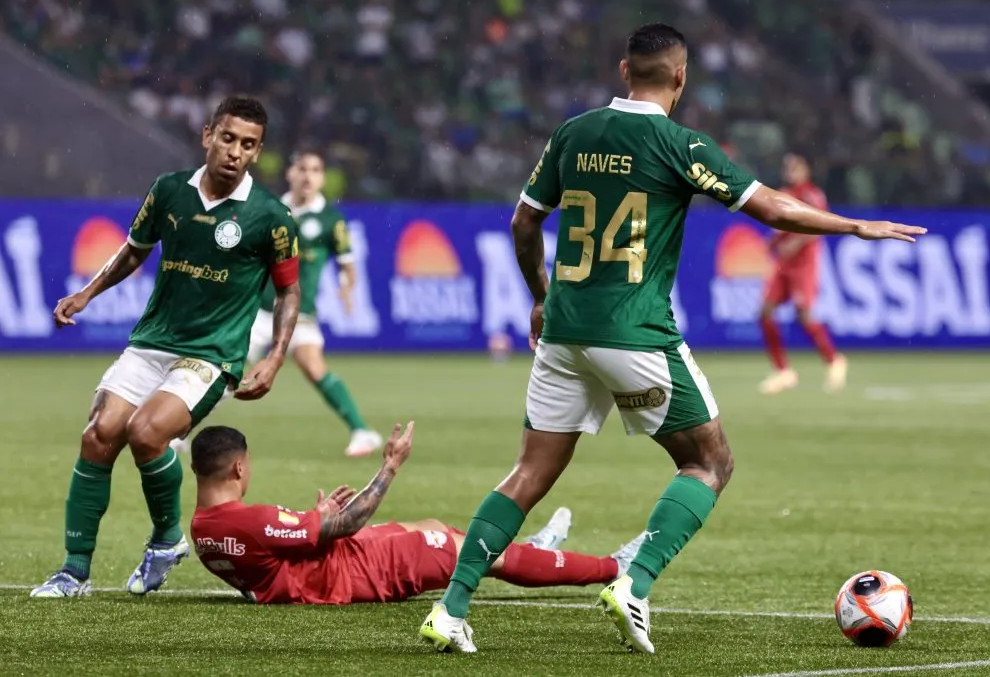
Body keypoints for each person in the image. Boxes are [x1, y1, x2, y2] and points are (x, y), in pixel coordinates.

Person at [419, 23, 927, 654]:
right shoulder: (679, 144)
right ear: (681, 78)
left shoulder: (572, 134)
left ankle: (451, 608)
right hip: (633, 331)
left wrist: (541, 297)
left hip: (565, 330)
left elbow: (525, 222)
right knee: (710, 462)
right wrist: (854, 226)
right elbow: (770, 207)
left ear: (622, 68)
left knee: (529, 471)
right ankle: (634, 583)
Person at [31, 96, 301, 599]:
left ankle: (165, 537)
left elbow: (289, 289)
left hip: (212, 355)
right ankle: (73, 572)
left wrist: (275, 356)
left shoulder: (271, 216)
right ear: (207, 136)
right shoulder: (170, 191)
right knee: (98, 434)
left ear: (258, 151)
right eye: (228, 138)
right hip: (153, 341)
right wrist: (86, 293)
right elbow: (135, 249)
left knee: (146, 432)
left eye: (249, 145)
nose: (236, 152)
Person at [189, 424, 644, 613]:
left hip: (330, 563)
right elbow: (342, 526)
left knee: (433, 527)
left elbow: (274, 554)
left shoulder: (202, 529)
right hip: (351, 574)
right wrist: (390, 465)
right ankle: (613, 568)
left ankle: (534, 554)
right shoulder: (248, 519)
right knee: (467, 551)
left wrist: (318, 520)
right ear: (239, 468)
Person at [172, 149, 382, 457]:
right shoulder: (271, 209)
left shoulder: (330, 220)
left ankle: (362, 432)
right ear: (291, 173)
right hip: (258, 311)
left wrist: (346, 287)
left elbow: (348, 264)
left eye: (315, 169)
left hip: (300, 313)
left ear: (322, 177)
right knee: (228, 372)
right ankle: (180, 432)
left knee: (314, 367)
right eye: (302, 168)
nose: (308, 175)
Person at [759, 153, 846, 394]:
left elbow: (820, 225)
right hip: (783, 265)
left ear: (805, 169)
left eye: (794, 167)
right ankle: (783, 371)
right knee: (765, 312)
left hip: (804, 265)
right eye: (786, 167)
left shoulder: (812, 194)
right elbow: (779, 224)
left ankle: (834, 360)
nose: (789, 171)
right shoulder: (782, 193)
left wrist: (795, 243)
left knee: (804, 314)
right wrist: (772, 243)